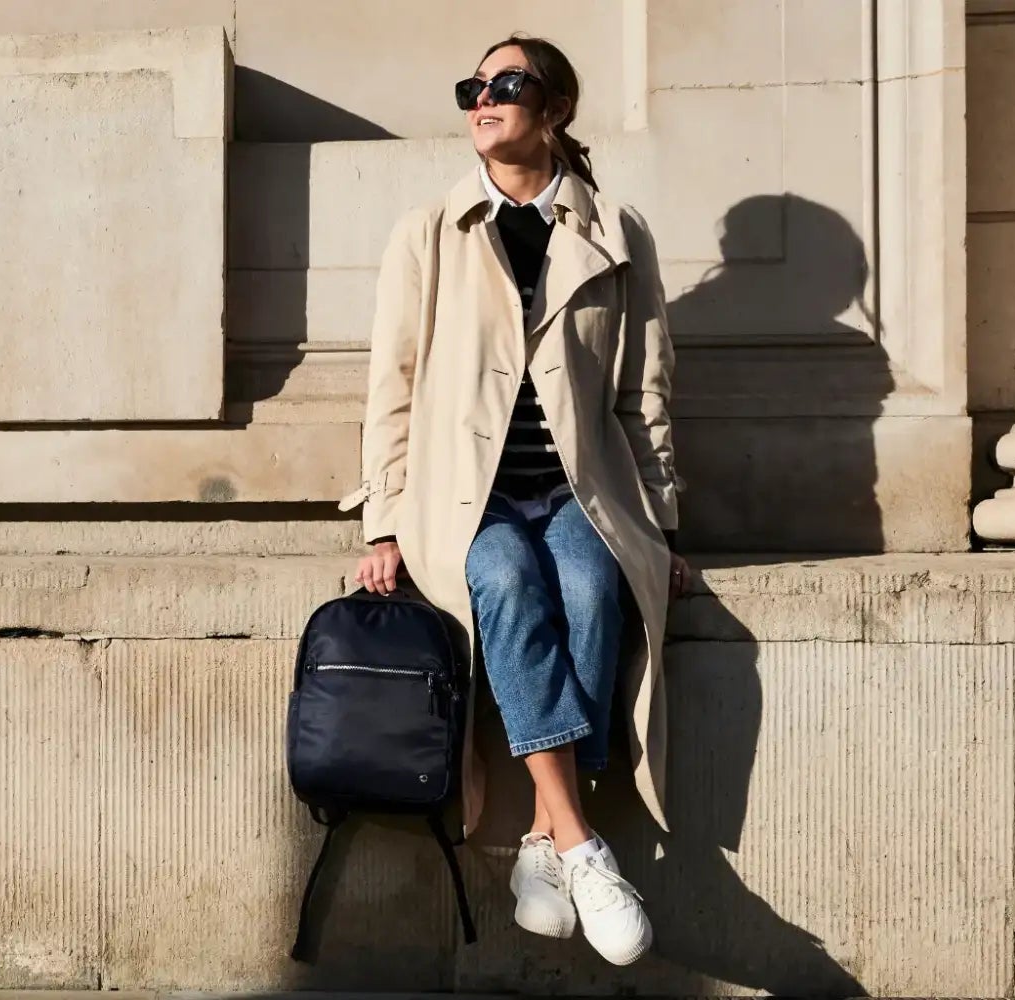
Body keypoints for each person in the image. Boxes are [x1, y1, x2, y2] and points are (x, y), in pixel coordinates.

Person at [336, 35, 691, 966]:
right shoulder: (428, 234)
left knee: (591, 586)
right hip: (469, 499)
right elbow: (393, 385)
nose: (483, 100)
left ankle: (543, 835)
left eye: (506, 84)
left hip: (580, 490)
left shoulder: (616, 233)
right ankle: (580, 841)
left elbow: (643, 391)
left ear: (555, 109)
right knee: (504, 584)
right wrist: (383, 522)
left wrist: (660, 523)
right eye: (472, 88)